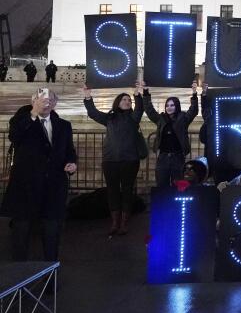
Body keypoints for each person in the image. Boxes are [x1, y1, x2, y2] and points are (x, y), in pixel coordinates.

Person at [1, 89, 77, 260]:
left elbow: (69, 151)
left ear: (55, 103)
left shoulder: (64, 125)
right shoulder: (22, 120)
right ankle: (19, 279)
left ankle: (50, 279)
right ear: (33, 100)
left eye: (50, 100)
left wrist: (72, 163)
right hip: (25, 188)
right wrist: (33, 113)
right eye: (42, 99)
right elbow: (15, 136)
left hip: (53, 188)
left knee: (51, 235)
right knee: (21, 235)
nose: (47, 102)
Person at [83, 82, 144, 236]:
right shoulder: (110, 118)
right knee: (113, 191)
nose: (127, 102)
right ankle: (115, 222)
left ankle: (124, 223)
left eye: (129, 100)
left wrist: (137, 94)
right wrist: (88, 97)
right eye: (124, 99)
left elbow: (140, 109)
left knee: (127, 191)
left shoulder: (133, 118)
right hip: (110, 160)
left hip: (130, 160)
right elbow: (94, 113)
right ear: (117, 102)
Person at [143, 82, 199, 187]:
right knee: (161, 185)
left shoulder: (183, 118)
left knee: (178, 186)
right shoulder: (161, 119)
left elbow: (193, 110)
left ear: (177, 106)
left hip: (177, 157)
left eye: (172, 105)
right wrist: (146, 92)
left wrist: (194, 93)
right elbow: (149, 110)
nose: (169, 107)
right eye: (167, 105)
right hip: (163, 158)